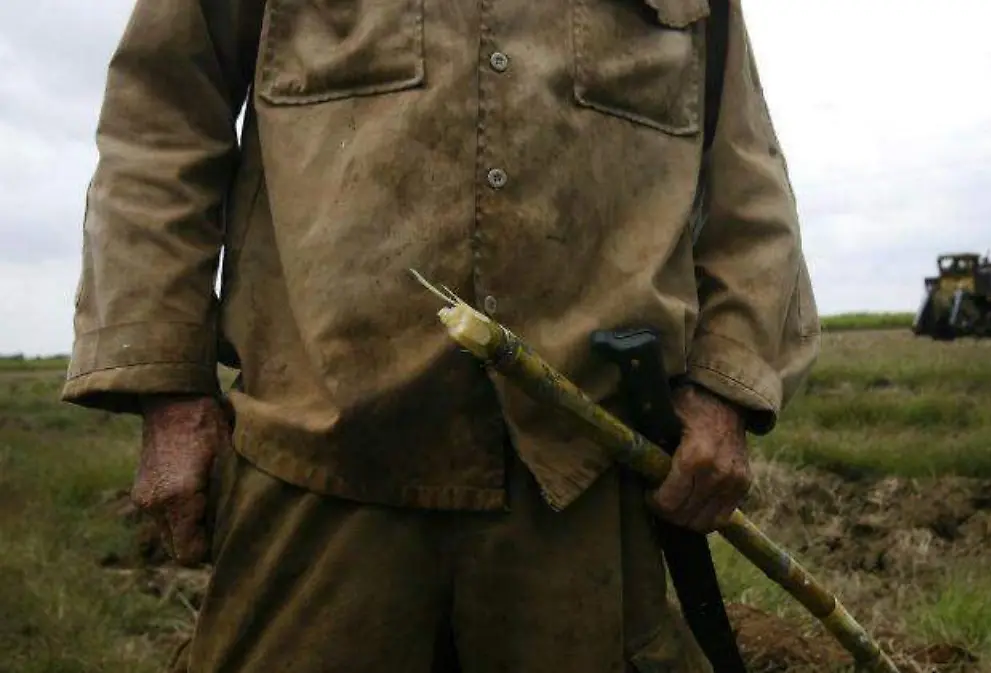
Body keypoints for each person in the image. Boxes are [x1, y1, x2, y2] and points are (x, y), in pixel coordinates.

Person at [62, 0, 820, 671]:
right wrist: (168, 394)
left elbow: (747, 174)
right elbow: (160, 123)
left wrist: (724, 391)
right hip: (315, 471)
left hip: (588, 480)